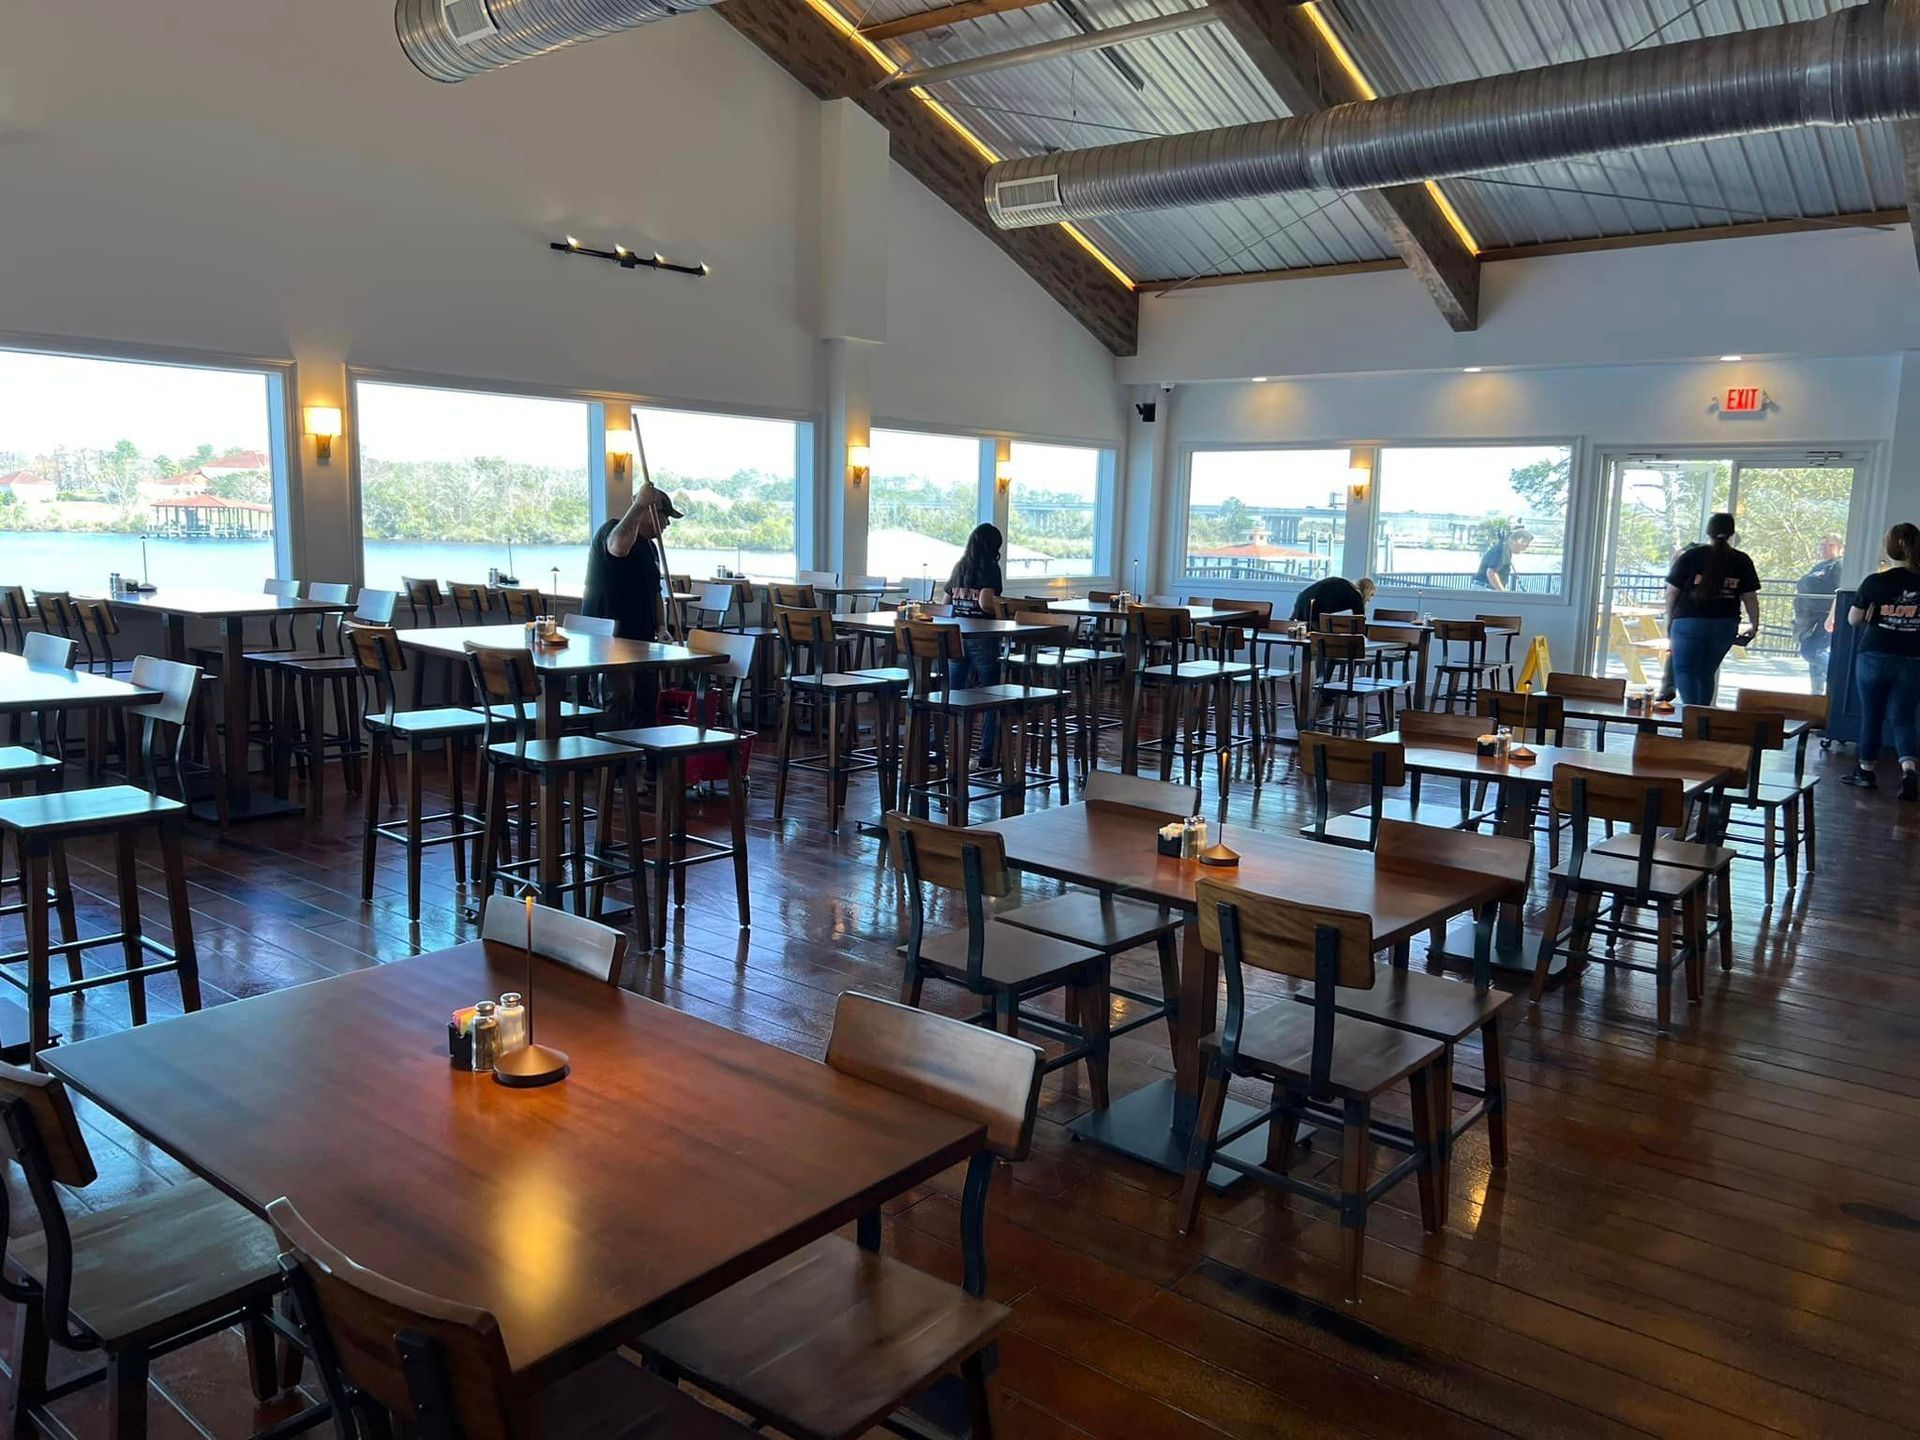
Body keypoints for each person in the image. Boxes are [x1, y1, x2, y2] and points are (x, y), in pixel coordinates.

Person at [582, 477, 682, 722]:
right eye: (664, 515)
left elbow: (655, 592)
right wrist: (638, 505)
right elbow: (618, 548)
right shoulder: (611, 530)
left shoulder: (650, 547)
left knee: (646, 704)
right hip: (610, 644)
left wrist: (661, 627)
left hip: (643, 641)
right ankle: (611, 758)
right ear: (649, 511)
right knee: (617, 704)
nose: (667, 523)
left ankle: (641, 758)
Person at [1840, 523, 1920, 800]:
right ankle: (1909, 770)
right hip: (1913, 659)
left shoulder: (1875, 581)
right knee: (1905, 718)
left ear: (1890, 548)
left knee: (1872, 716)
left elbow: (1854, 619)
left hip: (1875, 654)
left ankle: (1865, 772)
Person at [1664, 511, 1761, 708]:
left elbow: (1672, 592)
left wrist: (1670, 621)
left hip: (1687, 622)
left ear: (1708, 531)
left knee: (1685, 670)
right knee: (1706, 671)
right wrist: (1754, 624)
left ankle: (1691, 715)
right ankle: (1702, 717)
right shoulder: (1741, 560)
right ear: (1732, 533)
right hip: (1724, 623)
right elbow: (1750, 596)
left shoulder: (1691, 556)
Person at [944, 523, 1005, 765]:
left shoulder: (960, 566)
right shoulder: (990, 567)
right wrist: (1003, 610)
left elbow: (945, 602)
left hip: (956, 635)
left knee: (953, 696)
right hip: (982, 637)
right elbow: (985, 603)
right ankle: (986, 755)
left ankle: (948, 750)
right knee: (992, 695)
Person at [1792, 533, 1845, 695]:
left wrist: (1832, 617)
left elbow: (1840, 592)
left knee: (1813, 652)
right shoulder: (1819, 566)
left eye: (1830, 545)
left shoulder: (1839, 566)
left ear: (1840, 548)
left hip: (1825, 616)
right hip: (1809, 618)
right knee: (1813, 658)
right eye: (1822, 545)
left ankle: (1840, 680)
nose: (1825, 549)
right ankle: (1816, 694)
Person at [1289, 575, 1375, 625]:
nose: (1369, 600)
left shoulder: (1346, 586)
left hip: (1302, 600)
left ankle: (1309, 656)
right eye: (1371, 595)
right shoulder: (1356, 596)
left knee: (1310, 637)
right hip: (1314, 605)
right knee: (1321, 639)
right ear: (1366, 591)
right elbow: (1359, 623)